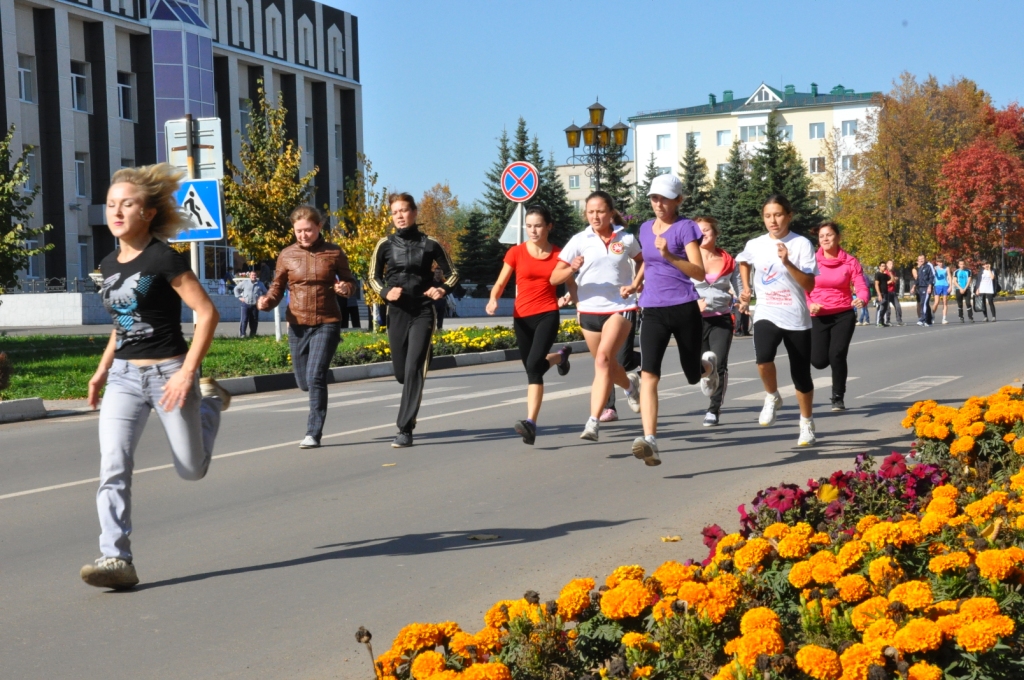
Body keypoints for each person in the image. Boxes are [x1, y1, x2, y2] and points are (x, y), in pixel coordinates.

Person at [81, 163, 231, 590]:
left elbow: (207, 314)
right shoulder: (108, 263)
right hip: (125, 379)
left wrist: (187, 374)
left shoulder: (164, 257)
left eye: (127, 203)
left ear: (147, 212)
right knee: (113, 463)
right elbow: (123, 323)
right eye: (111, 204)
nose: (116, 211)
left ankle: (211, 404)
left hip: (170, 372)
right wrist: (101, 370)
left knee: (191, 470)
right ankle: (116, 558)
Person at [258, 206, 356, 449]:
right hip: (298, 324)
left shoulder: (334, 252)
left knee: (315, 376)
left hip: (327, 321)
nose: (303, 235)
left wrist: (345, 288)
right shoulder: (286, 255)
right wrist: (267, 302)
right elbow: (277, 287)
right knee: (304, 382)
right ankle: (315, 387)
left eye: (308, 230)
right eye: (298, 231)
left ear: (319, 227)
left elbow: (350, 281)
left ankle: (313, 433)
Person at [627, 175, 709, 465]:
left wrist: (669, 255)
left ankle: (707, 367)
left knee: (691, 373)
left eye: (664, 198)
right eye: (654, 198)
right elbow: (648, 262)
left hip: (684, 306)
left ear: (678, 200)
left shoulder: (686, 228)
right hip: (653, 309)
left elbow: (699, 272)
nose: (658, 204)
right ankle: (651, 440)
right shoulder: (645, 228)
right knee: (649, 374)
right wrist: (636, 283)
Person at [550, 190, 643, 443]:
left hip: (619, 306)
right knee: (608, 365)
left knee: (602, 360)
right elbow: (554, 277)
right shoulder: (579, 240)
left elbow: (644, 260)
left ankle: (592, 422)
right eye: (590, 212)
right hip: (588, 310)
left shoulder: (625, 238)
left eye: (600, 211)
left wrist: (635, 284)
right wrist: (571, 267)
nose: (595, 216)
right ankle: (631, 386)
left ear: (611, 212)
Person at [369, 192, 459, 448]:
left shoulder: (431, 244)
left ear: (414, 213)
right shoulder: (383, 245)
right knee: (401, 373)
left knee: (413, 369)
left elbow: (453, 273)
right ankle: (408, 408)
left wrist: (442, 289)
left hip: (422, 311)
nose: (399, 215)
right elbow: (372, 277)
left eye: (404, 210)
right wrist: (386, 292)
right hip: (397, 312)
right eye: (395, 211)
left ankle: (405, 428)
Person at [486, 204, 574, 445]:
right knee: (532, 369)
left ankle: (531, 423)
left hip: (547, 313)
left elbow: (571, 283)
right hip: (521, 317)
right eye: (528, 226)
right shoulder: (516, 252)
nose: (532, 231)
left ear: (548, 227)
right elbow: (501, 281)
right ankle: (560, 357)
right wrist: (493, 299)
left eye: (537, 226)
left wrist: (579, 309)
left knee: (534, 366)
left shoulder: (559, 254)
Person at [736, 194, 819, 447]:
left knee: (801, 375)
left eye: (778, 214)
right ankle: (772, 396)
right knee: (763, 358)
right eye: (768, 215)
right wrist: (747, 286)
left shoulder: (802, 244)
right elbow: (743, 260)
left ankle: (806, 422)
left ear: (789, 215)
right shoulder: (756, 243)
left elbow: (809, 283)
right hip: (767, 310)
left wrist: (787, 261)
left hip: (795, 315)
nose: (773, 220)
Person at [807, 223, 868, 412]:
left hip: (843, 314)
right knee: (818, 361)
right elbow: (802, 287)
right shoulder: (810, 261)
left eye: (829, 235)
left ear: (838, 237)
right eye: (821, 236)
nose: (825, 239)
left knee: (837, 355)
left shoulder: (850, 262)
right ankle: (835, 391)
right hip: (818, 315)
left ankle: (837, 397)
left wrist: (862, 299)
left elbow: (860, 285)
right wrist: (810, 304)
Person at [693, 215, 738, 427]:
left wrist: (744, 298)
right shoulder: (687, 260)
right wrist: (693, 304)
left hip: (721, 319)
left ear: (715, 233)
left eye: (706, 231)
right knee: (696, 365)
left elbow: (742, 289)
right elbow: (677, 288)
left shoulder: (728, 261)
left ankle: (713, 410)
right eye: (698, 231)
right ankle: (706, 375)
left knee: (719, 363)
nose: (702, 235)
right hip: (694, 320)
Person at [234, 270, 266, 337]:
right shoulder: (245, 283)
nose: (253, 276)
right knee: (244, 320)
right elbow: (236, 289)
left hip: (255, 305)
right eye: (252, 275)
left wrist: (262, 299)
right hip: (245, 304)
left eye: (255, 275)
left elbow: (265, 292)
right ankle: (242, 334)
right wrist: (239, 297)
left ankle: (253, 334)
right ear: (249, 276)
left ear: (256, 276)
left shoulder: (260, 284)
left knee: (254, 320)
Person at [912, 254, 935, 326]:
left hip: (926, 287)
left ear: (925, 259)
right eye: (920, 259)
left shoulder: (928, 267)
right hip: (920, 288)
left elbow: (932, 277)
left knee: (924, 303)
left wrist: (930, 286)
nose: (921, 260)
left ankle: (922, 319)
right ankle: (929, 320)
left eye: (922, 258)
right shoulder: (920, 268)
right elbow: (918, 279)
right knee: (924, 304)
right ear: (918, 260)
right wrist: (913, 287)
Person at [932, 256, 951, 324]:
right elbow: (932, 275)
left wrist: (950, 286)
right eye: (939, 262)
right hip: (937, 286)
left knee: (945, 302)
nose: (940, 263)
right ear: (937, 262)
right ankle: (932, 315)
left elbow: (949, 276)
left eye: (942, 262)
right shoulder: (935, 268)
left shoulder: (947, 268)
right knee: (936, 302)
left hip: (945, 285)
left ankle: (944, 319)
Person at [885, 259, 903, 326]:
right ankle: (887, 321)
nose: (891, 265)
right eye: (890, 264)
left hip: (893, 292)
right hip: (887, 292)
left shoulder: (893, 272)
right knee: (888, 308)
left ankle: (899, 320)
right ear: (887, 265)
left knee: (897, 306)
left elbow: (894, 282)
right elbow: (886, 283)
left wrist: (893, 277)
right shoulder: (884, 272)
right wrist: (892, 278)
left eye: (892, 264)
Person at [873, 262, 891, 327]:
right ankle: (878, 322)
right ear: (879, 267)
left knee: (885, 308)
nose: (884, 267)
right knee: (880, 307)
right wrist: (879, 294)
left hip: (886, 293)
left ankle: (882, 322)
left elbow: (892, 279)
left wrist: (890, 272)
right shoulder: (878, 274)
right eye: (882, 266)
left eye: (885, 266)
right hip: (881, 293)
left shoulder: (885, 275)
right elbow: (876, 285)